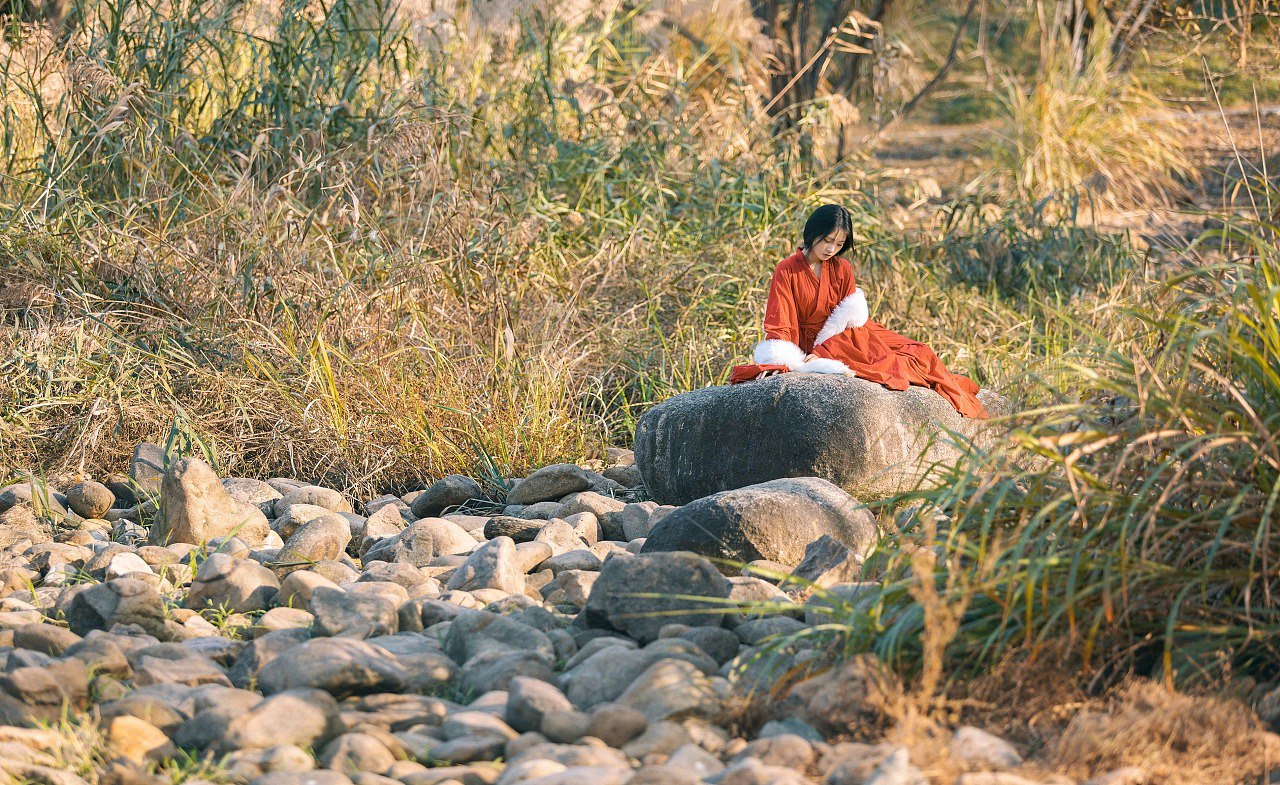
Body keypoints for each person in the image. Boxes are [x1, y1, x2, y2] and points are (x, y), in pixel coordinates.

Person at [730, 203, 989, 419]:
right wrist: (789, 358)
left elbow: (848, 319)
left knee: (918, 354)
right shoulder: (787, 269)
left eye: (839, 243)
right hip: (804, 341)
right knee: (887, 364)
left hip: (842, 336)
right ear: (812, 233)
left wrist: (823, 350)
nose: (831, 249)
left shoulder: (842, 269)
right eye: (827, 240)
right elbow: (780, 319)